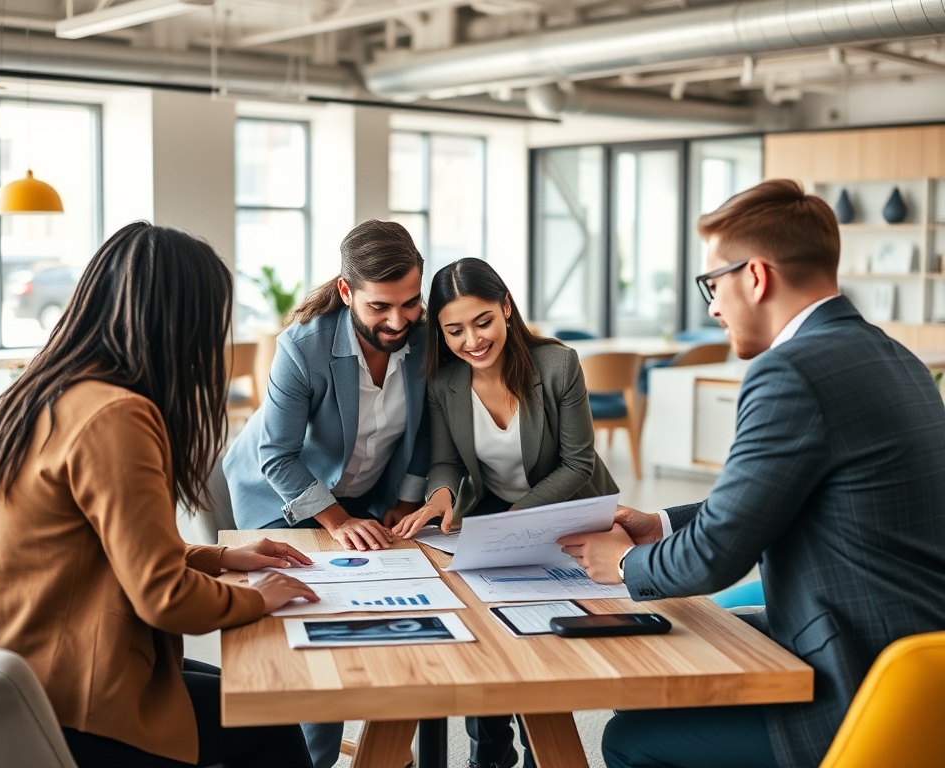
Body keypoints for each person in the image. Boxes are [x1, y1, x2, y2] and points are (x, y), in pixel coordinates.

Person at [557, 179, 945, 768]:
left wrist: (623, 563)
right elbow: (767, 502)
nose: (712, 305)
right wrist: (658, 524)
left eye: (713, 283)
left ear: (756, 276)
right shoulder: (894, 356)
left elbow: (718, 555)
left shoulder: (792, 371)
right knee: (671, 660)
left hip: (858, 683)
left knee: (631, 739)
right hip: (910, 660)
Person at [0, 223, 320, 768]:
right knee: (269, 713)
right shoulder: (116, 415)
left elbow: (102, 553)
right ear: (178, 323)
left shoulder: (41, 391)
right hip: (72, 699)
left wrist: (220, 558)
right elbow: (165, 598)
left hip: (23, 674)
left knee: (233, 687)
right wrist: (258, 596)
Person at [394, 258, 619, 768]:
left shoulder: (558, 366)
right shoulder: (444, 383)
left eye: (483, 322)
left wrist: (518, 519)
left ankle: (544, 749)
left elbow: (577, 463)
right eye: (454, 330)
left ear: (507, 309)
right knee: (484, 628)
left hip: (570, 511)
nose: (471, 340)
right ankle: (489, 757)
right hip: (498, 515)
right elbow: (447, 462)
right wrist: (441, 496)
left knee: (539, 635)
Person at [222, 219, 430, 768]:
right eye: (379, 307)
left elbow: (425, 432)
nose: (397, 320)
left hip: (365, 494)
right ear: (346, 292)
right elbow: (277, 457)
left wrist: (408, 500)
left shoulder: (427, 338)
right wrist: (337, 521)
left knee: (409, 604)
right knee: (320, 618)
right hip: (280, 497)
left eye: (409, 303)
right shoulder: (304, 346)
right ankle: (314, 757)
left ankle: (389, 749)